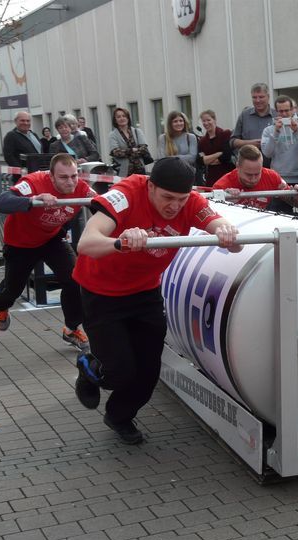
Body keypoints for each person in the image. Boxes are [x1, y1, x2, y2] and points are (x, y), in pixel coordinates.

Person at [72, 157, 241, 444]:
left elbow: (230, 239)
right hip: (102, 294)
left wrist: (225, 230)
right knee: (119, 372)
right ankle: (89, 368)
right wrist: (120, 242)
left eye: (181, 199)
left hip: (144, 294)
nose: (174, 206)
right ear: (150, 187)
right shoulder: (127, 194)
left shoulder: (191, 202)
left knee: (148, 372)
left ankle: (119, 416)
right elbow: (86, 243)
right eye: (167, 198)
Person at [0, 153, 93, 348]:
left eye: (74, 176)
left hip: (51, 240)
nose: (70, 182)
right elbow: (0, 202)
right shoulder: (33, 183)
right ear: (51, 176)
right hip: (20, 243)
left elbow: (104, 207)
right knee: (13, 289)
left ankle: (71, 329)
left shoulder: (82, 188)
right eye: (63, 177)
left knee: (75, 279)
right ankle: (1, 306)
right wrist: (32, 200)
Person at [214, 144, 298, 211]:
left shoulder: (271, 177)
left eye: (257, 174)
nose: (253, 179)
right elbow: (212, 218)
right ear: (237, 166)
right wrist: (225, 200)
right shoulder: (221, 186)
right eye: (248, 175)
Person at [261, 95, 298, 212]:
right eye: (281, 111)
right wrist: (276, 132)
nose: (284, 114)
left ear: (292, 110)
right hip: (279, 180)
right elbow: (267, 153)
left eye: (287, 110)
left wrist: (296, 132)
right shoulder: (268, 130)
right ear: (276, 111)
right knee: (280, 214)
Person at [230, 83, 277, 165]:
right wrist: (249, 143)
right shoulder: (244, 115)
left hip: (273, 166)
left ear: (268, 97)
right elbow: (232, 142)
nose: (258, 100)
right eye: (254, 97)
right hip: (249, 167)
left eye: (261, 97)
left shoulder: (277, 115)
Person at [108, 107, 151, 177]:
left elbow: (144, 149)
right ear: (115, 120)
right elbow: (116, 152)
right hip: (124, 172)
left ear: (128, 118)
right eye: (118, 117)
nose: (122, 118)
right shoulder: (113, 135)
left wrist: (126, 152)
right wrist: (132, 150)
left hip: (140, 170)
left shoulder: (137, 131)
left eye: (124, 116)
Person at [197, 109, 233, 186]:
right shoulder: (202, 141)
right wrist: (218, 154)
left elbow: (226, 157)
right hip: (211, 178)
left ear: (214, 120)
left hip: (226, 175)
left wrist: (209, 160)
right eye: (203, 121)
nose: (206, 123)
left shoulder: (225, 134)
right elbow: (201, 161)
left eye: (208, 120)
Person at [3, 111, 42, 179]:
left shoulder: (33, 134)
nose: (25, 123)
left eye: (28, 121)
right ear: (15, 121)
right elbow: (9, 157)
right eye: (22, 120)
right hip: (24, 176)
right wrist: (22, 171)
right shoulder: (11, 136)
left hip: (38, 173)